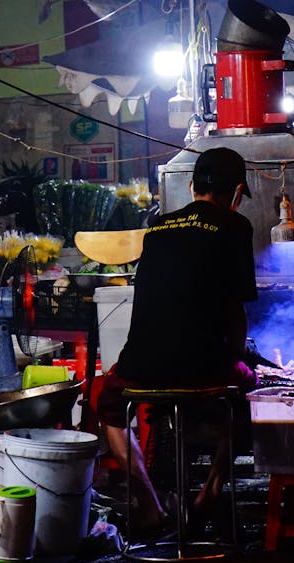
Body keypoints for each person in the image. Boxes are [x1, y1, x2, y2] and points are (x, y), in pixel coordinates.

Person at [97, 146, 257, 533]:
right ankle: (210, 492)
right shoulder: (235, 226)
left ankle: (149, 503)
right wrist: (240, 355)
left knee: (107, 401)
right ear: (236, 193)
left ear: (191, 186)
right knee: (251, 390)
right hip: (203, 371)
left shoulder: (157, 228)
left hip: (141, 368)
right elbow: (236, 309)